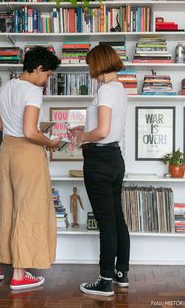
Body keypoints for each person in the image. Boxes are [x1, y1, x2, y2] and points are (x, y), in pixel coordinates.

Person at [0, 46, 61, 290]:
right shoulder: (32, 91)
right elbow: (30, 132)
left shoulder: (5, 88)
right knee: (28, 208)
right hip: (27, 154)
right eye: (48, 74)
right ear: (39, 68)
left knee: (7, 207)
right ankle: (19, 274)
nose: (47, 80)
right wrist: (50, 142)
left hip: (7, 151)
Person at [70, 44, 130, 296]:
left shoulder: (105, 90)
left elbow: (102, 131)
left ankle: (105, 281)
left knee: (106, 224)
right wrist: (84, 130)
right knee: (117, 219)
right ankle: (120, 273)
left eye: (89, 64)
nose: (89, 68)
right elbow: (107, 128)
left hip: (100, 160)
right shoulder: (119, 88)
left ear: (98, 63)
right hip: (115, 158)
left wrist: (83, 136)